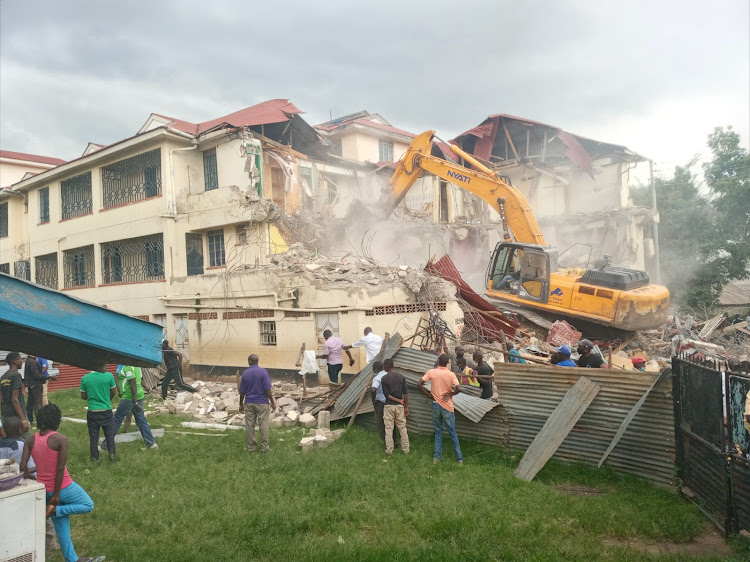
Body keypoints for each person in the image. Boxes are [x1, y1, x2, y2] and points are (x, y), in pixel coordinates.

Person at [20, 403, 105, 562]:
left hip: (44, 490)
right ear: (56, 421)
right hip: (63, 487)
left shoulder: (31, 440)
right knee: (88, 504)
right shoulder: (60, 439)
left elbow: (23, 467)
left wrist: (35, 476)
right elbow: (60, 469)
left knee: (62, 528)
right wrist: (57, 495)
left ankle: (73, 559)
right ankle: (54, 511)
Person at [417, 354, 463, 465]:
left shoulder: (431, 372)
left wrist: (429, 395)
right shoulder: (451, 374)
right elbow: (459, 388)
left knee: (438, 432)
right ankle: (459, 459)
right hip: (447, 406)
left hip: (435, 405)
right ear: (448, 363)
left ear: (438, 361)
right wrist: (451, 393)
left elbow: (419, 384)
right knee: (453, 433)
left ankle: (436, 458)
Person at [102, 365, 157, 451]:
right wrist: (145, 387)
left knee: (116, 420)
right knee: (141, 420)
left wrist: (134, 401)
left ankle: (105, 445)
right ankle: (152, 443)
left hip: (129, 398)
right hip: (139, 396)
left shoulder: (127, 368)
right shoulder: (137, 367)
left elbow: (133, 382)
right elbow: (140, 379)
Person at [239, 354, 276, 454]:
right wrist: (272, 402)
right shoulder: (263, 372)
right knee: (263, 425)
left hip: (249, 402)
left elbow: (242, 391)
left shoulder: (245, 373)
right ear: (257, 361)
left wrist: (241, 404)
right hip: (262, 402)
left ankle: (251, 448)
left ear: (250, 362)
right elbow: (268, 390)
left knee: (250, 425)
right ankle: (265, 448)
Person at [80, 362, 116, 462]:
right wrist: (106, 399)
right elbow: (113, 392)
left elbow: (83, 396)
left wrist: (92, 397)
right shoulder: (109, 376)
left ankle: (94, 457)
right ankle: (112, 454)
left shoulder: (85, 378)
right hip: (106, 410)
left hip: (92, 411)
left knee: (93, 436)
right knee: (109, 434)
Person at [380, 358, 410, 457]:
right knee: (402, 428)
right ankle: (406, 450)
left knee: (388, 429)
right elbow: (405, 393)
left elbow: (387, 395)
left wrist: (398, 401)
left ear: (387, 366)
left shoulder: (384, 379)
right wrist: (406, 406)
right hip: (400, 407)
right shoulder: (401, 377)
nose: (383, 367)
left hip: (388, 406)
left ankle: (389, 451)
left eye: (384, 365)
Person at [1, 352, 30, 438]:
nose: (22, 361)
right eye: (20, 359)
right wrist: (24, 420)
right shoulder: (16, 375)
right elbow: (14, 399)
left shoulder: (3, 377)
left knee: (11, 442)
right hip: (17, 416)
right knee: (26, 442)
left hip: (6, 416)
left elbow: (1, 399)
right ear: (15, 362)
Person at [24, 353, 49, 425]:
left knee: (30, 404)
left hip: (30, 385)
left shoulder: (28, 361)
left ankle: (29, 420)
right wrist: (48, 377)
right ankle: (40, 422)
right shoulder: (33, 362)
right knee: (38, 404)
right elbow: (36, 375)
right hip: (36, 385)